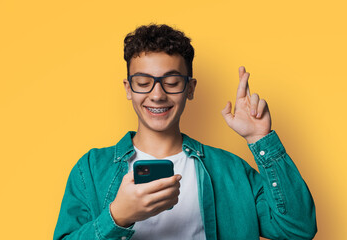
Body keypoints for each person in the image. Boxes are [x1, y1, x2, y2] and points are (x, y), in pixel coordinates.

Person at [53, 24, 317, 240]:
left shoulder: (231, 171)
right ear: (128, 88)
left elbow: (299, 229)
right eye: (143, 83)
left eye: (171, 82)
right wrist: (116, 217)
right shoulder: (91, 169)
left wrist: (260, 139)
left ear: (190, 88)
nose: (157, 95)